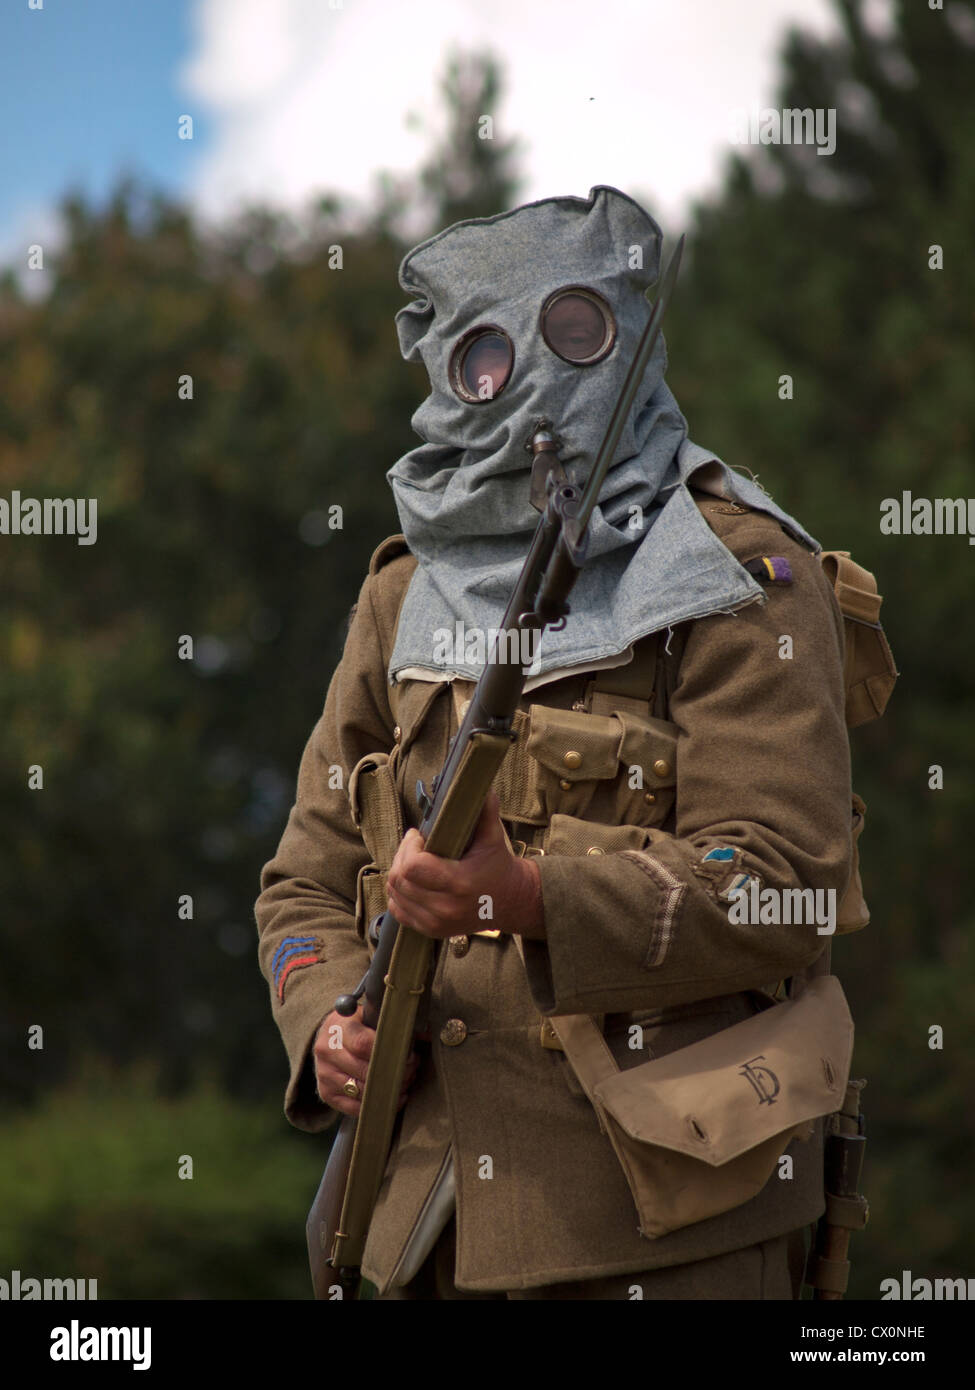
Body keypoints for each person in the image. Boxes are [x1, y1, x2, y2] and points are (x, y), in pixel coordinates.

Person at [255, 185, 860, 1300]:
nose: (526, 378)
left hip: (670, 1230)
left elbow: (787, 883)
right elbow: (302, 884)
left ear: (629, 338)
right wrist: (328, 1022)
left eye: (572, 333)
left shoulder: (739, 570)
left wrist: (525, 895)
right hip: (417, 1232)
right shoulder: (404, 598)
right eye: (482, 354)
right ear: (444, 379)